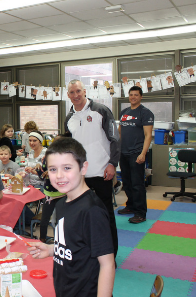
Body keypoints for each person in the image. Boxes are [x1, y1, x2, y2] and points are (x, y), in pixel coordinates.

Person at [27, 137, 115, 297]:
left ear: (83, 168)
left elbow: (107, 264)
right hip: (65, 289)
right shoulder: (62, 203)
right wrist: (52, 249)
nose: (59, 175)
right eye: (53, 169)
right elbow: (74, 245)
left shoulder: (91, 211)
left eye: (67, 168)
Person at [64, 79, 120, 257]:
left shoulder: (101, 111)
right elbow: (68, 146)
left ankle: (111, 256)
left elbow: (115, 139)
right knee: (81, 215)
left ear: (85, 91)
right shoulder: (69, 118)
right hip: (80, 175)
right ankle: (87, 253)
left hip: (102, 171)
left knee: (105, 215)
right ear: (68, 95)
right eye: (72, 92)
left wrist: (112, 164)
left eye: (78, 91)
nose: (76, 95)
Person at [117, 86, 154, 224]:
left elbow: (148, 135)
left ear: (141, 96)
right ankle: (131, 206)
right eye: (131, 95)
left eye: (136, 95)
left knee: (137, 184)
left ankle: (140, 213)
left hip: (137, 153)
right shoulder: (124, 112)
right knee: (127, 182)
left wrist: (143, 153)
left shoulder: (145, 113)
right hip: (123, 152)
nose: (133, 97)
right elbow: (120, 132)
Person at [37, 133, 71, 243]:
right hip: (49, 194)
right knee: (44, 219)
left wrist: (54, 171)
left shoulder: (68, 157)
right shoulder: (47, 156)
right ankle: (42, 240)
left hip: (62, 193)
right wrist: (39, 170)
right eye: (55, 141)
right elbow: (42, 176)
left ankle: (60, 242)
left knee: (60, 220)